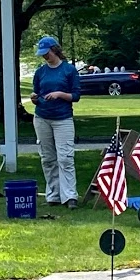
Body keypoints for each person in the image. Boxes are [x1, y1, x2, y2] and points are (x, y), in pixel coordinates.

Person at [30, 36, 81, 209]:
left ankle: (70, 196)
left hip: (63, 118)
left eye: (47, 53)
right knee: (48, 158)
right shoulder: (40, 72)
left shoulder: (69, 70)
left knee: (65, 157)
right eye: (42, 54)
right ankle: (53, 195)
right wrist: (34, 99)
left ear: (55, 50)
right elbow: (37, 93)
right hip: (42, 117)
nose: (45, 57)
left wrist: (60, 94)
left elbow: (76, 96)